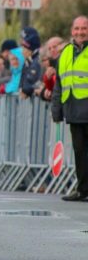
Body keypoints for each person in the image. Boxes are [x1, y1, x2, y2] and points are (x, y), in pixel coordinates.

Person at [52, 15, 88, 201]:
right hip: (73, 111)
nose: (80, 32)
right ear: (72, 31)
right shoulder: (65, 53)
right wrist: (56, 110)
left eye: (84, 28)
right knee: (80, 153)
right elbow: (59, 83)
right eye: (77, 29)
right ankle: (83, 190)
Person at [19, 27, 42, 99]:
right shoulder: (28, 61)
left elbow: (38, 81)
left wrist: (26, 90)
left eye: (23, 47)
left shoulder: (38, 61)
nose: (22, 51)